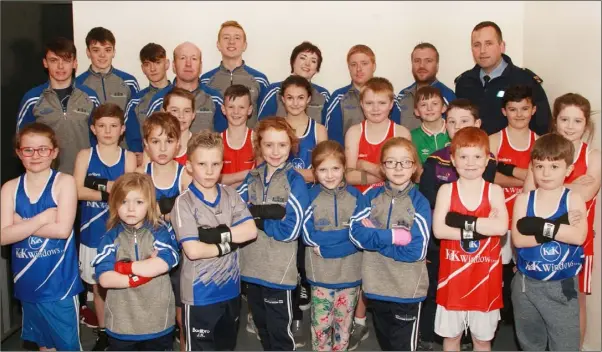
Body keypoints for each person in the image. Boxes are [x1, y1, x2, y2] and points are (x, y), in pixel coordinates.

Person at [417, 99, 497, 350]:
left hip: (480, 255)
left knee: (479, 321)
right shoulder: (435, 161)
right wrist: (476, 225)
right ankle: (432, 337)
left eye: (464, 121)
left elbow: (496, 223)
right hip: (445, 248)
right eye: (451, 122)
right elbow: (434, 209)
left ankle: (469, 336)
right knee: (440, 296)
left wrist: (459, 221)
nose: (457, 126)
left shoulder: (488, 162)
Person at [523, 93, 600, 348]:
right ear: (555, 121)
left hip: (577, 242)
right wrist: (571, 184)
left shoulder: (593, 156)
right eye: (564, 119)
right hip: (537, 239)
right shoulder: (542, 151)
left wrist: (551, 186)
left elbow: (586, 192)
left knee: (576, 301)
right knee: (536, 299)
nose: (570, 126)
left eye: (577, 121)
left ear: (586, 125)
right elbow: (527, 195)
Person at [170, 130, 258, 351]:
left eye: (215, 164)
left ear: (222, 164)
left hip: (231, 292)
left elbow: (250, 231)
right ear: (189, 166)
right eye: (202, 164)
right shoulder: (183, 203)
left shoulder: (230, 194)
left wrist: (216, 236)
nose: (209, 171)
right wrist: (230, 242)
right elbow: (193, 250)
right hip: (200, 296)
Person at [1, 123, 83, 351]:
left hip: (60, 288)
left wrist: (20, 223)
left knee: (68, 347)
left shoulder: (64, 183)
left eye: (43, 149)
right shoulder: (9, 188)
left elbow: (62, 230)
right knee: (44, 347)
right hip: (28, 286)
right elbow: (3, 236)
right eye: (28, 150)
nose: (35, 155)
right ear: (19, 153)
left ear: (54, 152)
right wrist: (42, 218)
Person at [349, 137, 432, 351]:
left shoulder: (420, 203)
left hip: (406, 291)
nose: (398, 168)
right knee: (386, 345)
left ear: (414, 167)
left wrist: (375, 237)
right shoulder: (371, 196)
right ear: (382, 168)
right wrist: (393, 236)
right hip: (376, 287)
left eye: (405, 162)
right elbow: (356, 234)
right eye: (391, 162)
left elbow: (416, 251)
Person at [237, 117, 311, 351]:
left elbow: (290, 230)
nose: (275, 151)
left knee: (280, 335)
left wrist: (257, 219)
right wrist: (269, 214)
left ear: (291, 146)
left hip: (279, 274)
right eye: (269, 145)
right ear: (259, 146)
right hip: (251, 270)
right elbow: (237, 213)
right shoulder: (252, 177)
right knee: (263, 330)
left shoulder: (295, 181)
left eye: (282, 145)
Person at [432, 127, 508, 352]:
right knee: (451, 338)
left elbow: (502, 227)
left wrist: (459, 221)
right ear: (453, 160)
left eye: (477, 156)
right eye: (463, 157)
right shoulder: (446, 190)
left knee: (482, 341)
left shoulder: (494, 191)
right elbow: (439, 231)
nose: (470, 162)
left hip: (485, 279)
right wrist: (483, 227)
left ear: (487, 160)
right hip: (452, 279)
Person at [511, 133, 587, 351]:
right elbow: (518, 239)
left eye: (554, 167)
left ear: (568, 170)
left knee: (565, 345)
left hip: (562, 285)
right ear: (532, 168)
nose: (545, 173)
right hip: (527, 285)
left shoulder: (573, 198)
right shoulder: (524, 200)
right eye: (539, 166)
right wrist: (560, 225)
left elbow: (578, 236)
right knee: (530, 343)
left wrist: (536, 225)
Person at [72, 103, 137, 350]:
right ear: (93, 128)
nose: (107, 131)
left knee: (124, 283)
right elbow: (77, 191)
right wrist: (109, 189)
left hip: (120, 233)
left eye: (113, 126)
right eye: (101, 126)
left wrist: (96, 183)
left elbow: (128, 192)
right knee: (98, 285)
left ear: (122, 129)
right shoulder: (85, 155)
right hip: (92, 230)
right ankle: (103, 331)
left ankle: (127, 328)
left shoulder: (129, 157)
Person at [92, 173, 180, 350]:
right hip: (122, 324)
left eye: (139, 202)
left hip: (158, 322)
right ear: (115, 204)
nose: (131, 208)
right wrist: (140, 273)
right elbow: (105, 278)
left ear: (149, 204)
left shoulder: (160, 231)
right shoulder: (110, 237)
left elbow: (165, 262)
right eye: (124, 201)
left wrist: (123, 267)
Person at [136, 111, 192, 350]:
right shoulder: (139, 176)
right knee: (153, 315)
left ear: (178, 144)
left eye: (169, 141)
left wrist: (163, 211)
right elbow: (130, 216)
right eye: (156, 141)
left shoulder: (186, 176)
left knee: (182, 318)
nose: (162, 148)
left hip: (180, 257)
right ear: (146, 145)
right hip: (148, 255)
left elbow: (192, 217)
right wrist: (163, 209)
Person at [301, 140, 363, 351]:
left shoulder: (357, 197)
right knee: (321, 327)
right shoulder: (309, 198)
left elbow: (359, 236)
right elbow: (308, 236)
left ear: (344, 168)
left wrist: (327, 248)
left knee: (344, 328)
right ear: (314, 171)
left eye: (335, 168)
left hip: (350, 275)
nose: (329, 175)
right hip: (320, 276)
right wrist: (345, 238)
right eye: (323, 169)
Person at [488, 85, 538, 325]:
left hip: (528, 222)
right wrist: (525, 174)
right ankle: (489, 324)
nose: (519, 114)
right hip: (499, 219)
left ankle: (523, 322)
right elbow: (490, 177)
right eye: (513, 109)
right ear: (504, 111)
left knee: (526, 275)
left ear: (534, 110)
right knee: (496, 273)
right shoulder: (494, 140)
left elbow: (545, 179)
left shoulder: (541, 142)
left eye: (524, 109)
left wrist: (509, 171)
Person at [17, 37, 100, 175]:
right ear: (45, 63)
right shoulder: (32, 99)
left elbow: (99, 138)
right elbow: (22, 142)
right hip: (46, 177)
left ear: (75, 63)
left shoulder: (90, 97)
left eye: (66, 60)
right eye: (54, 60)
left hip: (85, 176)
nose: (60, 66)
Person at [455, 21, 551, 135]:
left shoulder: (525, 80)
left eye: (489, 43)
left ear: (501, 46)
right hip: (473, 151)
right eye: (477, 45)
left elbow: (543, 126)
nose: (482, 50)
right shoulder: (464, 82)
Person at [76, 27, 142, 153]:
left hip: (124, 152)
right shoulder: (78, 84)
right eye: (96, 50)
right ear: (88, 53)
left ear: (114, 52)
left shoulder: (129, 82)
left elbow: (134, 119)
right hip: (92, 155)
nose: (102, 55)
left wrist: (136, 149)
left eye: (107, 50)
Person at [325, 45, 402, 146]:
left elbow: (397, 135)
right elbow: (333, 140)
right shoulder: (339, 98)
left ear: (374, 66)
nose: (359, 69)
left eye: (364, 63)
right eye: (353, 64)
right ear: (348, 68)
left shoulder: (389, 97)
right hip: (347, 157)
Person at [345, 77, 411, 194]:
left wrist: (365, 165)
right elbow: (349, 177)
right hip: (360, 200)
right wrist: (385, 175)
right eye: (369, 103)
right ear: (361, 104)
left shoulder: (401, 133)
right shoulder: (354, 132)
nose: (375, 108)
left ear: (391, 104)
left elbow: (403, 174)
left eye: (382, 103)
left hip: (392, 199)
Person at [201, 20, 269, 127]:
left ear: (244, 45)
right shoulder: (205, 80)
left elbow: (265, 117)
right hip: (216, 142)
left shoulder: (260, 79)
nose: (231, 42)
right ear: (218, 45)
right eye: (226, 37)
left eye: (237, 38)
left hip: (250, 142)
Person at [146, 41, 227, 132]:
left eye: (194, 59)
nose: (188, 64)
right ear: (174, 66)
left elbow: (224, 137)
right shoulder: (159, 100)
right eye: (182, 58)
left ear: (200, 66)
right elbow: (150, 139)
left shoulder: (215, 99)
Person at [258, 41, 330, 123]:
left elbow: (327, 130)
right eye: (303, 58)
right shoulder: (275, 90)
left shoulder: (323, 94)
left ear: (317, 69)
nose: (307, 63)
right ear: (293, 61)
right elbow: (262, 124)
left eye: (313, 61)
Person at [125, 43, 172, 163]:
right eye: (147, 64)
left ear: (166, 64)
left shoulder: (180, 96)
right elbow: (132, 138)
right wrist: (140, 155)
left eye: (157, 62)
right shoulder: (135, 101)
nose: (153, 69)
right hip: (146, 163)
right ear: (142, 68)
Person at [397, 42, 456, 131]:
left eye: (428, 61)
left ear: (437, 65)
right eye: (417, 61)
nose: (421, 65)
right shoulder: (403, 95)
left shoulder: (447, 95)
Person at [220, 84, 256, 188]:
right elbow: (213, 178)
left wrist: (229, 181)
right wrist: (244, 175)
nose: (236, 112)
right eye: (231, 107)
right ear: (223, 109)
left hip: (250, 202)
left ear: (249, 110)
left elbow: (260, 176)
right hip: (223, 200)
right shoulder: (217, 141)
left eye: (241, 107)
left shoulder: (257, 140)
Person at [410, 86, 450, 165]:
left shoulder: (454, 131)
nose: (429, 108)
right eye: (423, 105)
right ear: (417, 111)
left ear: (444, 108)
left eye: (434, 104)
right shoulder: (411, 137)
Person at [162, 88, 196, 166]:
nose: (181, 116)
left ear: (193, 114)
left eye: (186, 111)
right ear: (164, 113)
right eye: (174, 110)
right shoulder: (155, 146)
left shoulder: (200, 146)